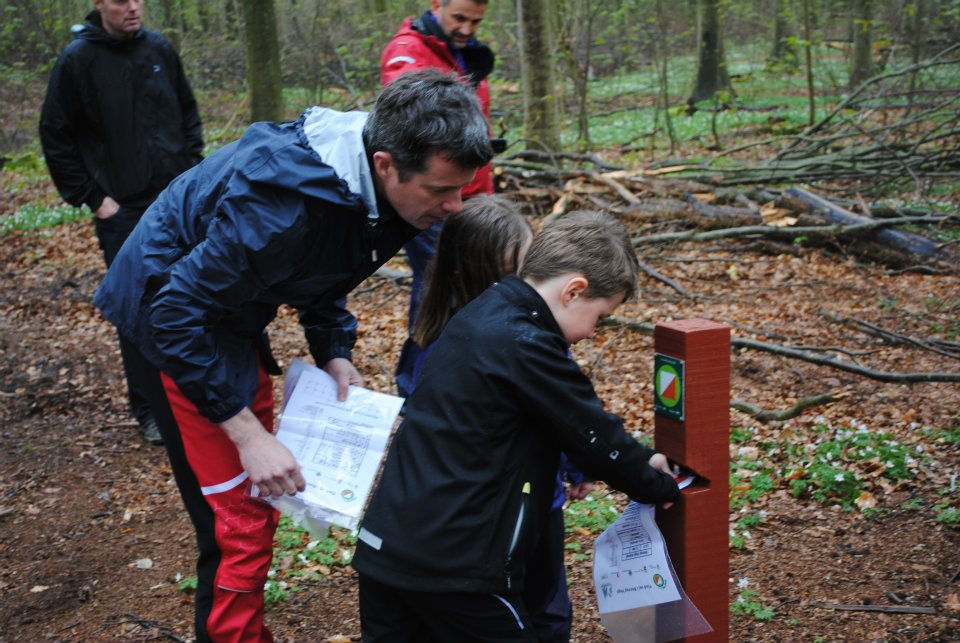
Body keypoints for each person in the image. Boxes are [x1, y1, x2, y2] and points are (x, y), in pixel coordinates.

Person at [93, 69, 493, 643]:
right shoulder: (281, 208)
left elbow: (330, 259)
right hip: (172, 319)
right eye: (440, 191)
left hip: (227, 312)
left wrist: (333, 349)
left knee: (253, 510)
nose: (455, 205)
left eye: (464, 188)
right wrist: (248, 435)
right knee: (237, 521)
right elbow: (173, 314)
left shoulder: (383, 187)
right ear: (385, 165)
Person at [352, 210, 680, 643]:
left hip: (389, 549)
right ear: (574, 290)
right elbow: (589, 432)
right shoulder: (526, 343)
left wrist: (637, 459)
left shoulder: (480, 315)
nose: (592, 333)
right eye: (600, 315)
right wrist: (657, 485)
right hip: (455, 567)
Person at [407, 195, 588, 643]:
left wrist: (574, 465)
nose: (527, 283)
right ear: (477, 272)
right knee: (539, 612)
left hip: (469, 510)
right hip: (510, 508)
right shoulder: (513, 338)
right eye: (514, 271)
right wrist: (579, 464)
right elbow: (561, 411)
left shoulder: (434, 333)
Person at [39, 0, 204, 445]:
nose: (132, 7)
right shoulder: (78, 60)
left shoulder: (160, 49)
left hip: (176, 201)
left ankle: (198, 398)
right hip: (123, 209)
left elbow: (188, 115)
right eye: (120, 0)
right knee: (138, 310)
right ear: (99, 4)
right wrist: (95, 198)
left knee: (193, 298)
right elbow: (55, 134)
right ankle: (150, 410)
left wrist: (195, 175)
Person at [381, 0, 496, 397]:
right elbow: (415, 122)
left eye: (476, 21)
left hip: (469, 198)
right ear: (436, 5)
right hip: (430, 199)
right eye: (459, 18)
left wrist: (484, 200)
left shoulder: (463, 52)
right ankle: (416, 389)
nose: (467, 28)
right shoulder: (408, 52)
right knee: (435, 289)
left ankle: (456, 381)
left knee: (472, 287)